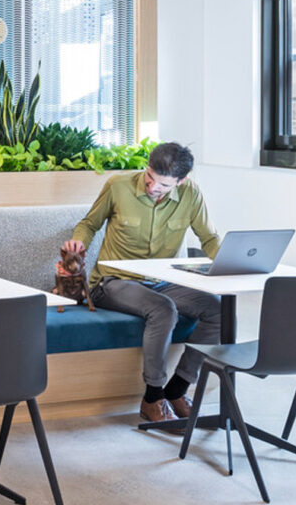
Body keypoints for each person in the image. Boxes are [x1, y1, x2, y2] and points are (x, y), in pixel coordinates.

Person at [62, 142, 222, 429]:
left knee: (217, 309)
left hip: (163, 281)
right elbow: (88, 224)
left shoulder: (191, 194)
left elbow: (208, 238)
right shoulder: (118, 186)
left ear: (181, 181)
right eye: (149, 177)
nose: (152, 187)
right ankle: (152, 397)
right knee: (164, 310)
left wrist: (226, 261)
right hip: (112, 282)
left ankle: (178, 388)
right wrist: (78, 244)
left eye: (162, 185)